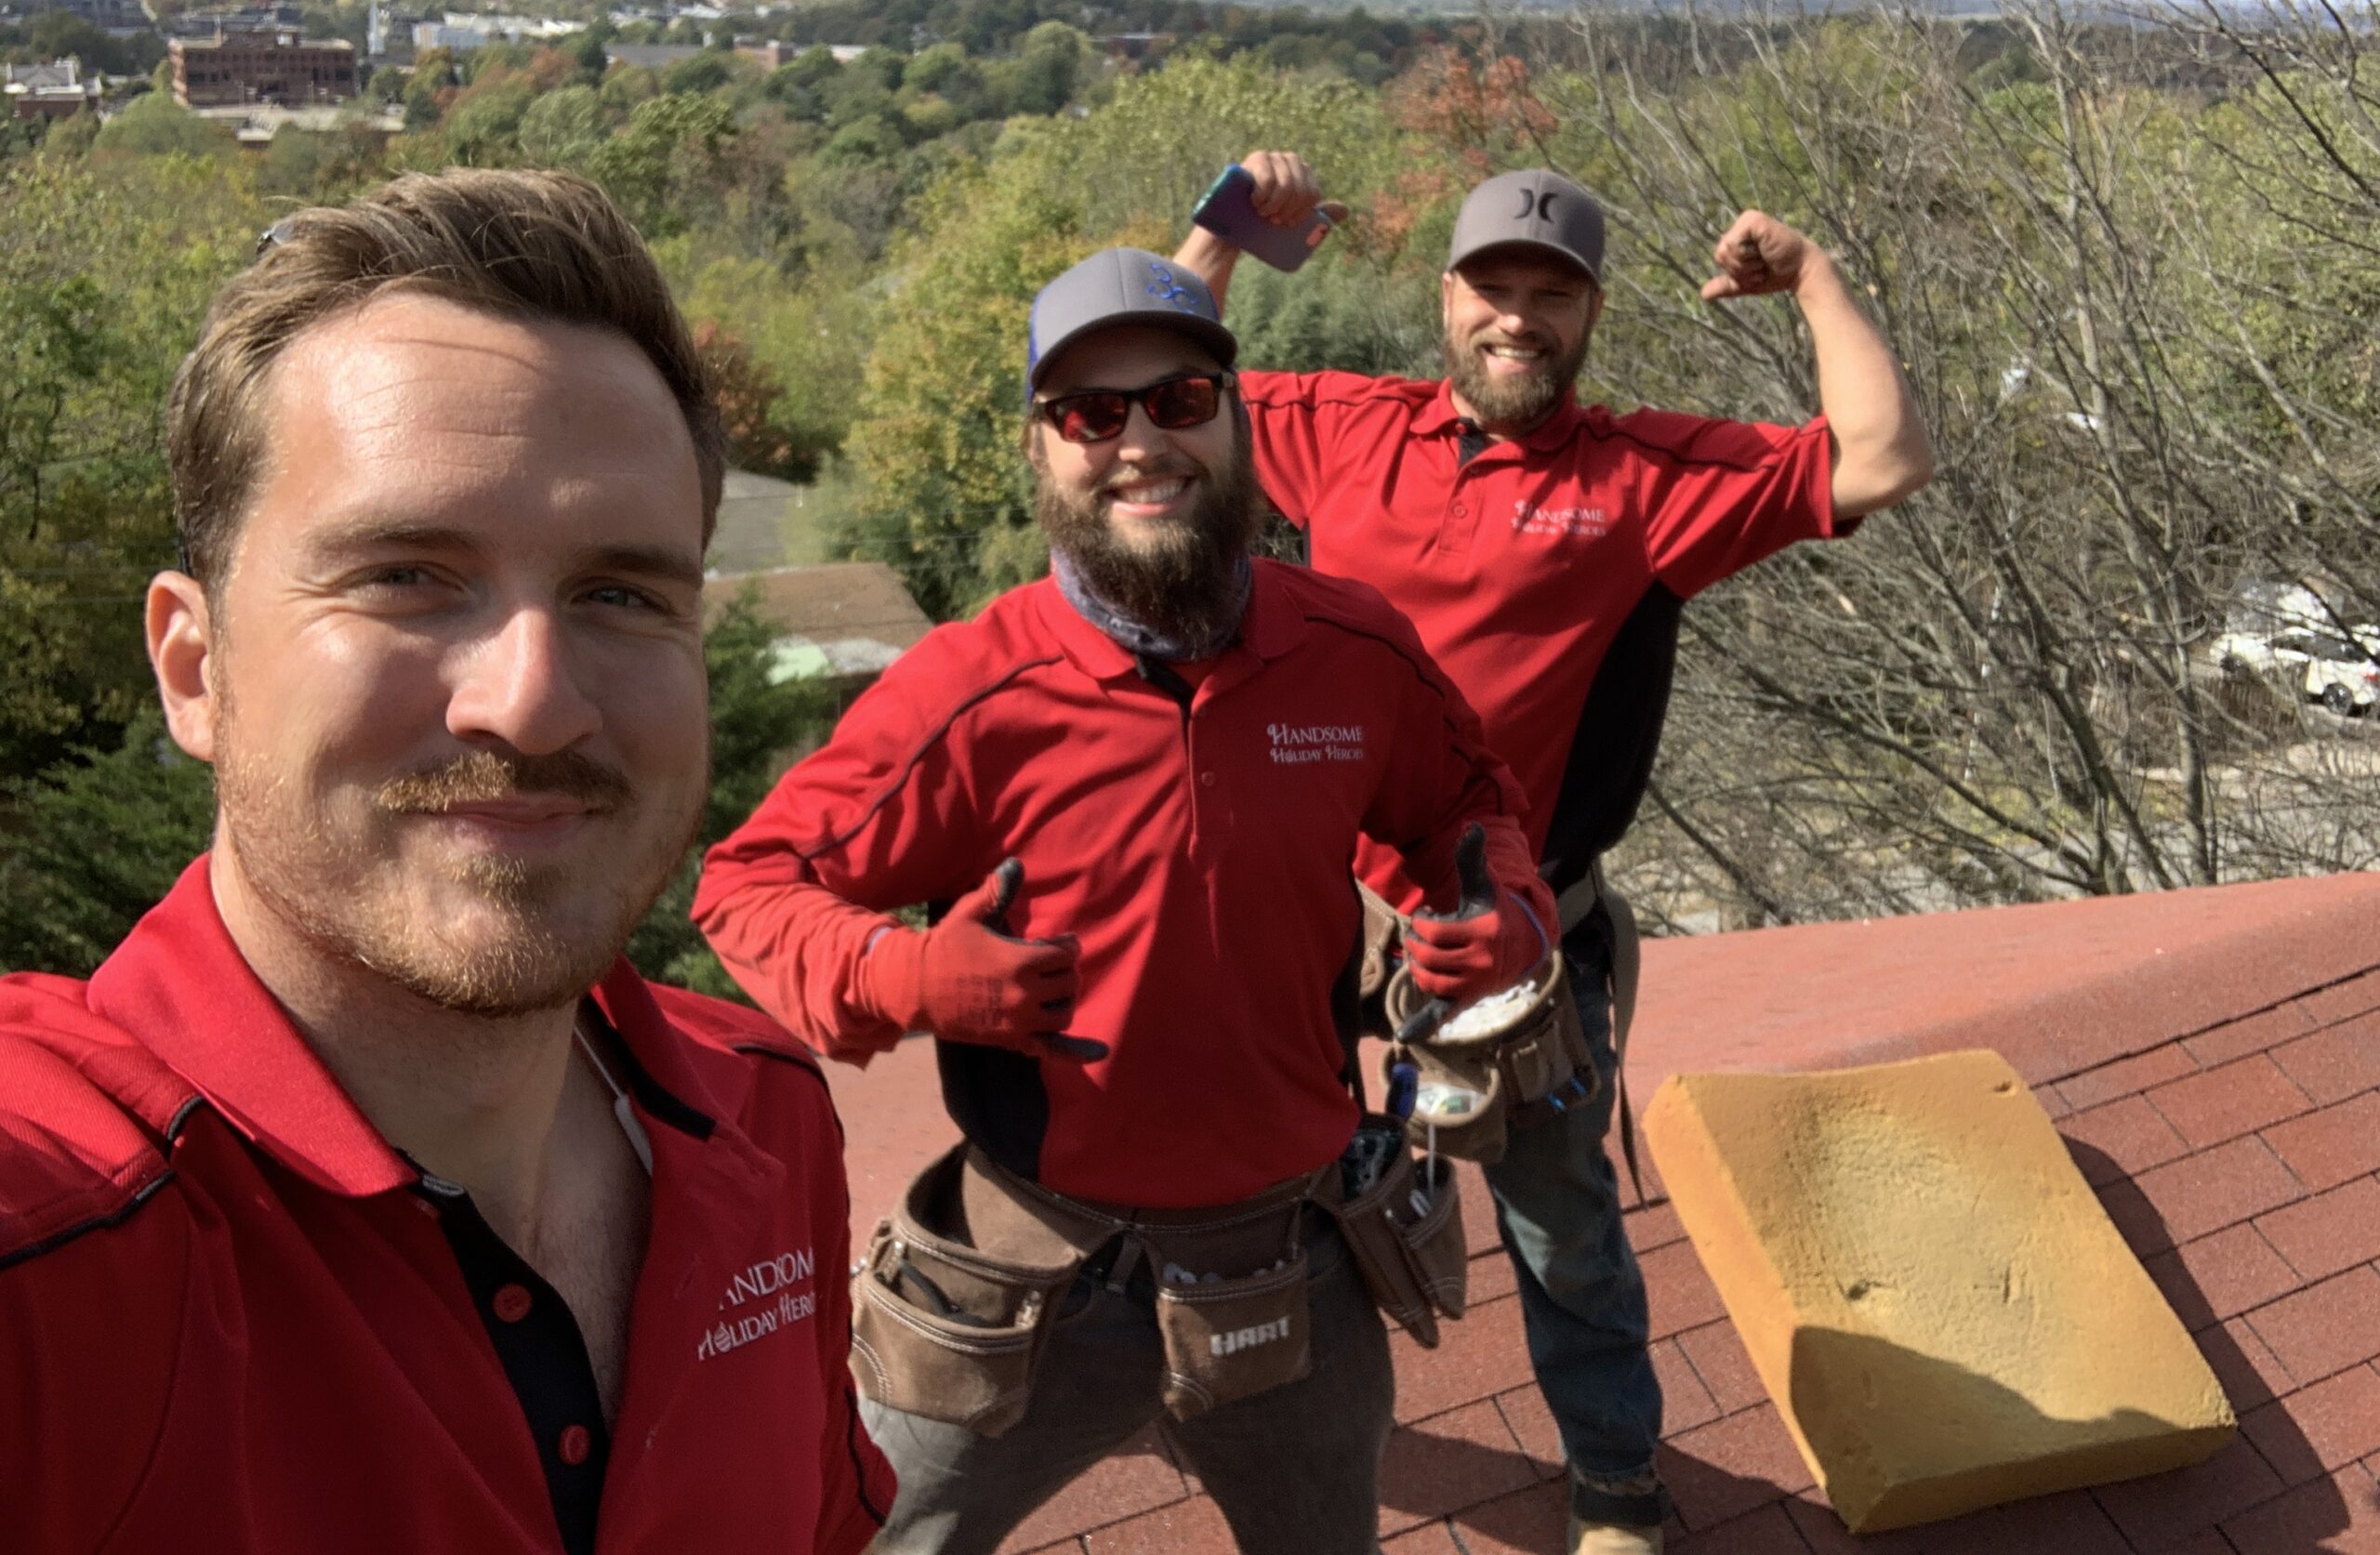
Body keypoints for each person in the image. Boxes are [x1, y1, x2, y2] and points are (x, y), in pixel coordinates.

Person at [0, 170, 893, 1555]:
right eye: (407, 576)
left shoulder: (767, 1125)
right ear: (195, 669)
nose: (531, 703)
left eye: (619, 593)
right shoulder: (60, 1253)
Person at [694, 245, 1559, 1555]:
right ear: (1042, 452)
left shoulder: (1353, 649)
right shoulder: (972, 692)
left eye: (1177, 399)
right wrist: (904, 978)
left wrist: (1510, 910)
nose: (1138, 441)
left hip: (1294, 1255)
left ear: (1237, 418)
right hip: (1034, 1265)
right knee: (860, 1536)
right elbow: (749, 885)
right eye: (1089, 414)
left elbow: (1465, 801)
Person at [1174, 155, 1936, 1553]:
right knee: (1257, 1203)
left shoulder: (1643, 480)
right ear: (1446, 298)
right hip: (1309, 915)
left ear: (1588, 315)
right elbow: (1157, 411)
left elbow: (1881, 455)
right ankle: (1283, 1468)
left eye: (1549, 294)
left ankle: (1616, 1487)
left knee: (1564, 1231)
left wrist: (1817, 273)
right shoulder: (1347, 427)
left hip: (1512, 928)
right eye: (1492, 287)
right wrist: (1223, 234)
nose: (1516, 317)